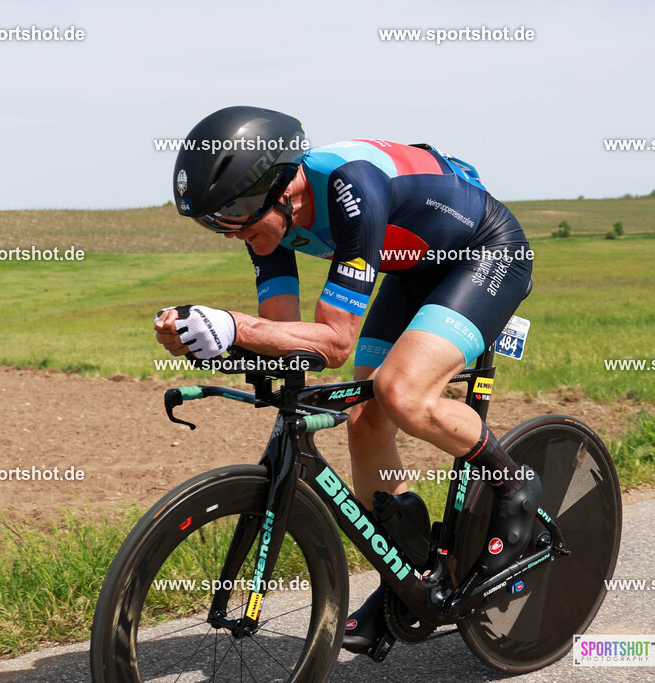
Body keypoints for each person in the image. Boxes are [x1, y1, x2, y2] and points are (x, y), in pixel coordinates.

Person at [154, 105, 542, 655]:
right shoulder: (260, 222)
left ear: (282, 187)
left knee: (401, 393)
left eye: (233, 214)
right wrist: (209, 341)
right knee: (364, 417)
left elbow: (333, 343)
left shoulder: (350, 188)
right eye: (213, 221)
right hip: (413, 271)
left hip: (485, 253)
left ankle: (514, 483)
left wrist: (236, 324)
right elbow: (290, 344)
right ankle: (407, 582)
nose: (227, 231)